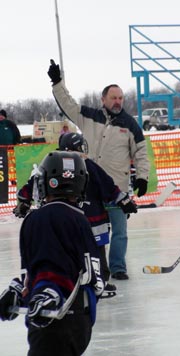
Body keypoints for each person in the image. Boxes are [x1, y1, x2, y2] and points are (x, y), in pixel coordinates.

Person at [47, 60, 150, 280]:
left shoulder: (130, 124)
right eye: (113, 97)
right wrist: (57, 83)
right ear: (103, 99)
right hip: (90, 189)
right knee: (91, 231)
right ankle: (90, 267)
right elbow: (68, 104)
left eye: (121, 98)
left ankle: (117, 267)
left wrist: (142, 177)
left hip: (116, 188)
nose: (118, 101)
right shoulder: (88, 116)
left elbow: (140, 152)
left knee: (119, 232)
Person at [0, 150, 104, 356]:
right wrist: (18, 290)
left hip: (53, 321)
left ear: (47, 182)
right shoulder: (80, 219)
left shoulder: (41, 218)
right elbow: (83, 275)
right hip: (79, 323)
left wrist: (47, 291)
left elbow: (50, 269)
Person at [13, 132, 138, 297]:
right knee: (94, 253)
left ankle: (65, 280)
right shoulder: (86, 164)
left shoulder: (52, 162)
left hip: (65, 221)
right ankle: (98, 281)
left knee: (65, 249)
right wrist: (123, 201)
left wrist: (24, 201)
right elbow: (107, 185)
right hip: (90, 222)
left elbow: (34, 183)